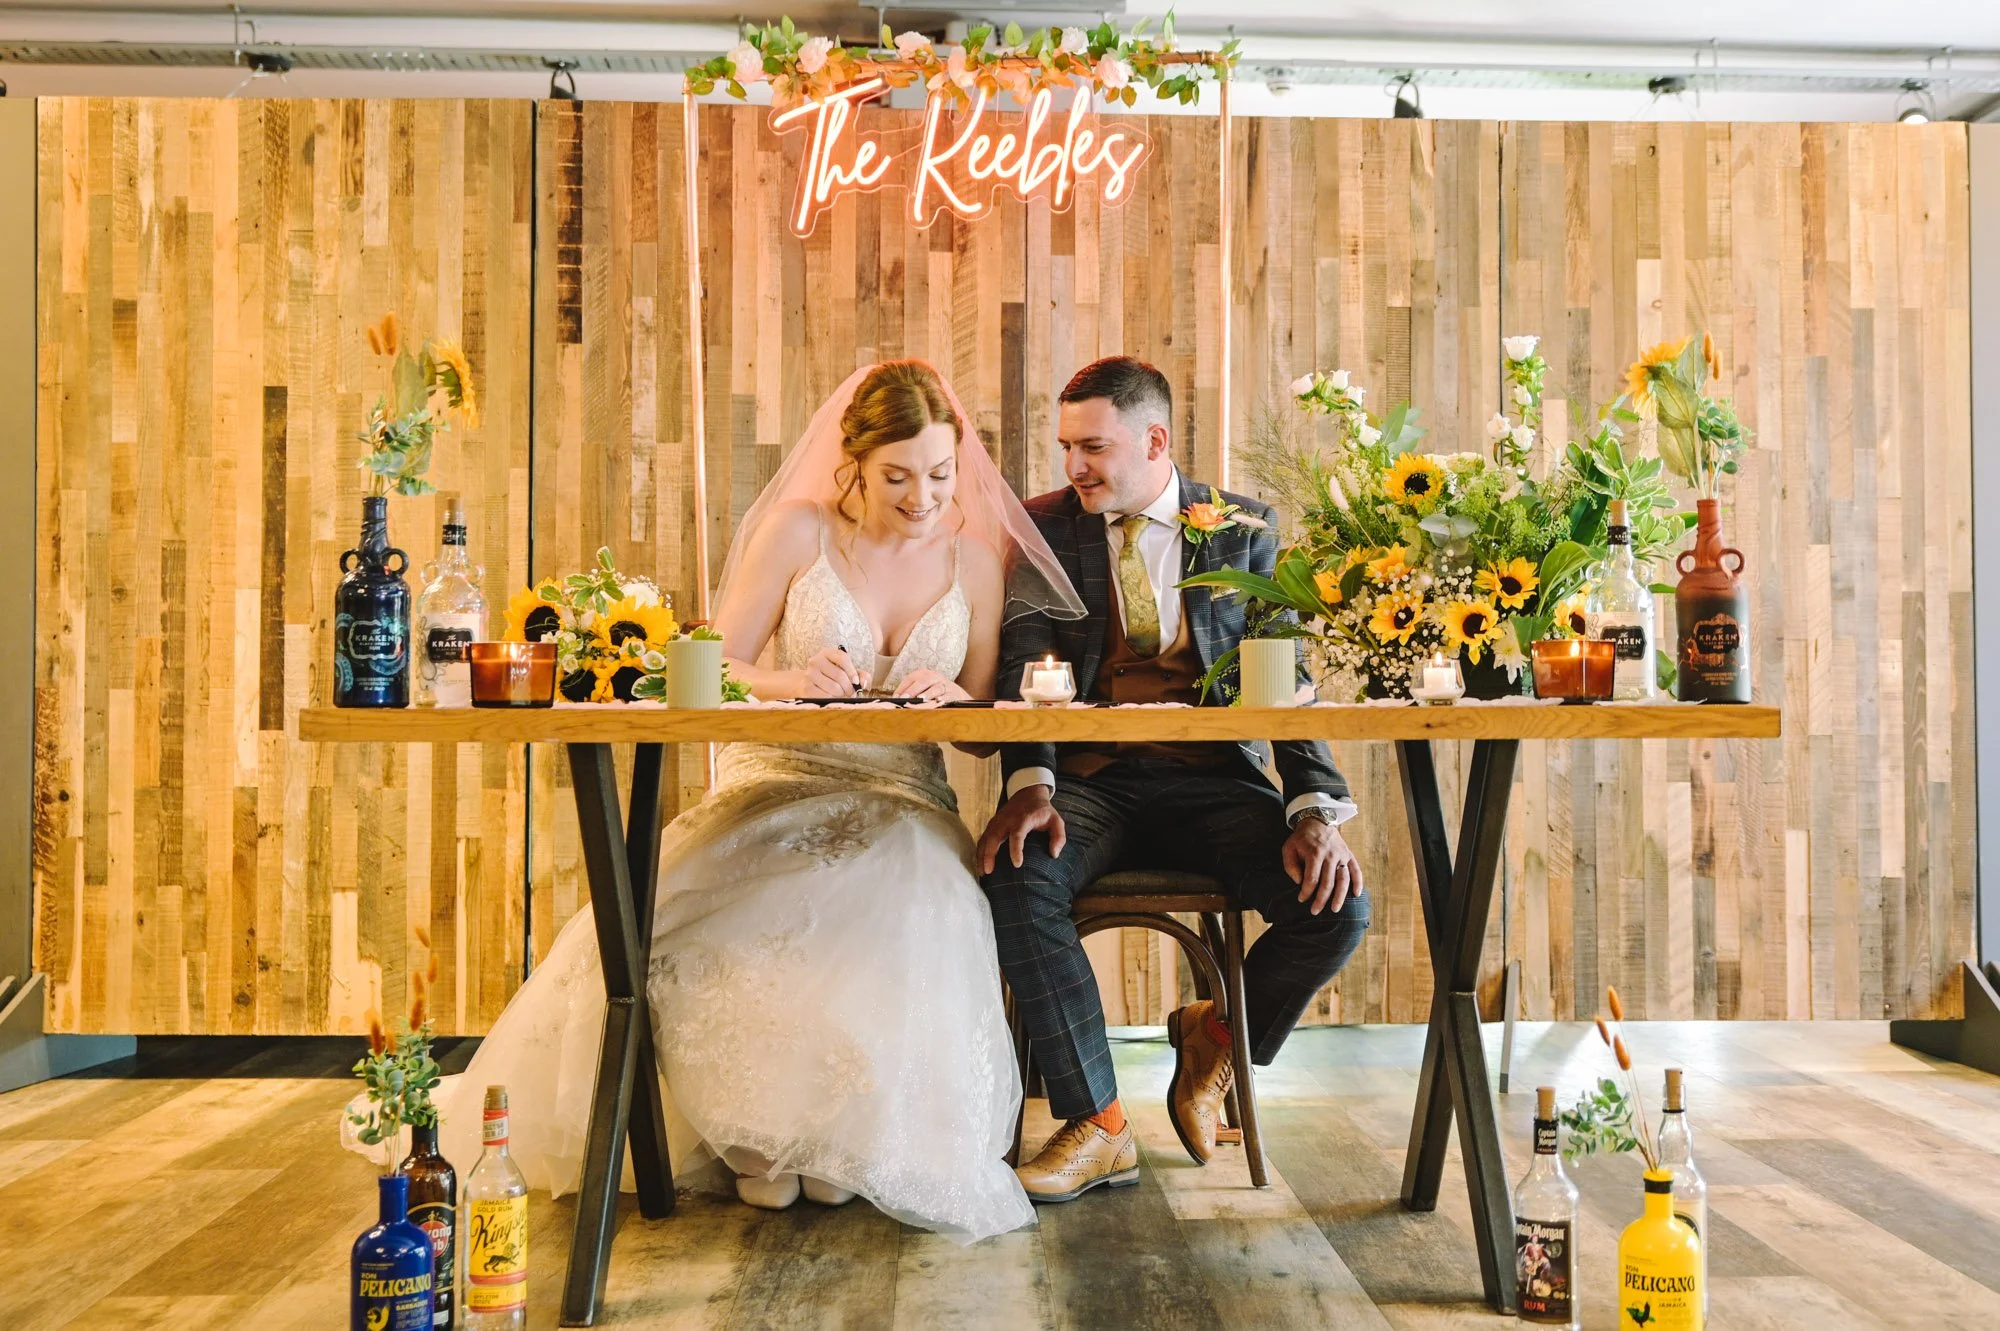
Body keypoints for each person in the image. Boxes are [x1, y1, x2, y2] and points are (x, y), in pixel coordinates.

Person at [352, 360, 1083, 1244]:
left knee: (910, 893)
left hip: (902, 793)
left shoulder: (975, 559)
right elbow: (710, 665)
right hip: (781, 776)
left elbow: (982, 724)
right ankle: (759, 1135)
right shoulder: (800, 530)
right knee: (726, 904)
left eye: (939, 474)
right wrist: (791, 680)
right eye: (897, 476)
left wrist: (955, 698)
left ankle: (842, 1136)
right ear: (854, 462)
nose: (923, 498)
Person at [979, 355, 1371, 1203]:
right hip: (1088, 783)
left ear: (1155, 442)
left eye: (1093, 448)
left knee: (1337, 904)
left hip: (1213, 783)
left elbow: (1283, 672)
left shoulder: (1244, 527)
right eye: (1066, 447)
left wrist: (1313, 809)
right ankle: (1098, 1124)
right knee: (1015, 872)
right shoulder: (1042, 527)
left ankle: (1214, 1037)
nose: (1073, 466)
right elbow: (1023, 664)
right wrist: (1031, 786)